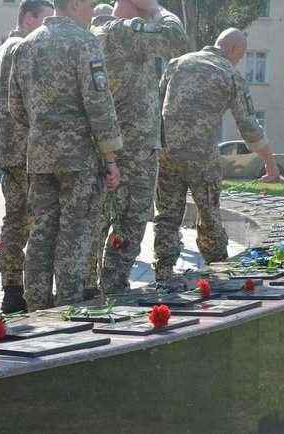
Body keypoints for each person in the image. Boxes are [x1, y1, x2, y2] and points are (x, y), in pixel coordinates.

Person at [9, 0, 123, 311]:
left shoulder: (25, 46)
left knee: (42, 232)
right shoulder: (84, 42)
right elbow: (99, 105)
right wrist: (110, 158)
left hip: (40, 156)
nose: (91, 10)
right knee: (74, 233)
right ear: (73, 4)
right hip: (78, 159)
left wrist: (43, 130)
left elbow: (15, 107)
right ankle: (68, 309)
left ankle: (36, 308)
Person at [153, 28, 281, 281]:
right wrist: (271, 165)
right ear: (233, 49)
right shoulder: (230, 75)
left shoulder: (177, 63)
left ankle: (163, 271)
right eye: (241, 55)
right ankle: (217, 272)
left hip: (168, 154)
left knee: (166, 216)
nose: (239, 61)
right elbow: (249, 127)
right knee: (209, 213)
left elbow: (156, 107)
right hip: (202, 158)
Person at [86, 0, 187, 297]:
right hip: (131, 150)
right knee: (127, 222)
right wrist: (157, 9)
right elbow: (176, 39)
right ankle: (109, 288)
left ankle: (93, 288)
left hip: (117, 147)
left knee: (105, 222)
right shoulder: (123, 31)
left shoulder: (104, 32)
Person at [0, 0, 54, 313]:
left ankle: (11, 288)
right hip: (28, 151)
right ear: (29, 18)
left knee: (14, 221)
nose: (48, 29)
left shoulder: (3, 48)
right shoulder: (24, 49)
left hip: (7, 150)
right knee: (36, 223)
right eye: (45, 20)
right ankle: (31, 290)